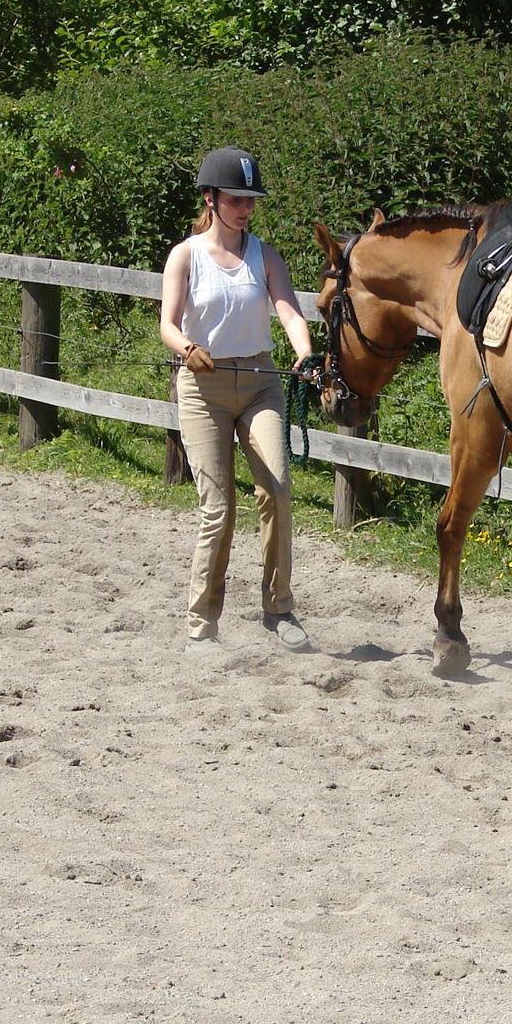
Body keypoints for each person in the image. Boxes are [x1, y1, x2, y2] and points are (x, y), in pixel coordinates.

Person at [160, 147, 314, 654]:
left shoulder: (264, 256)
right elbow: (168, 322)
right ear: (211, 199)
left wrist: (305, 351)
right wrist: (188, 348)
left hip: (259, 382)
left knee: (278, 486)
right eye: (235, 199)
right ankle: (202, 626)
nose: (246, 209)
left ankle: (280, 609)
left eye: (251, 200)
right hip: (202, 387)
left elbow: (289, 311)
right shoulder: (185, 255)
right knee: (217, 510)